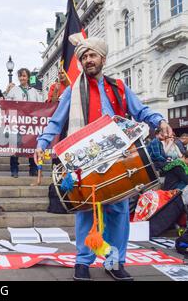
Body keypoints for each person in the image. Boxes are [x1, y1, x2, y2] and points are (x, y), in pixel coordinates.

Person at [35, 36, 172, 281]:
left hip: (119, 158)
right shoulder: (72, 91)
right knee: (86, 210)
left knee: (118, 212)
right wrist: (42, 143)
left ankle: (114, 261)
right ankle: (82, 262)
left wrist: (160, 121)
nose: (88, 60)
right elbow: (56, 121)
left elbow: (141, 110)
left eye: (92, 56)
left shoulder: (119, 87)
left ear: (102, 59)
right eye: (84, 57)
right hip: (84, 158)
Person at [4, 68, 41, 178]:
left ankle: (33, 168)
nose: (22, 78)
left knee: (32, 146)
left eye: (24, 76)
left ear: (28, 77)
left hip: (30, 124)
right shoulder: (14, 90)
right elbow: (7, 104)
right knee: (15, 146)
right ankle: (14, 169)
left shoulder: (34, 92)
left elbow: (40, 105)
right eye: (20, 76)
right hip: (17, 123)